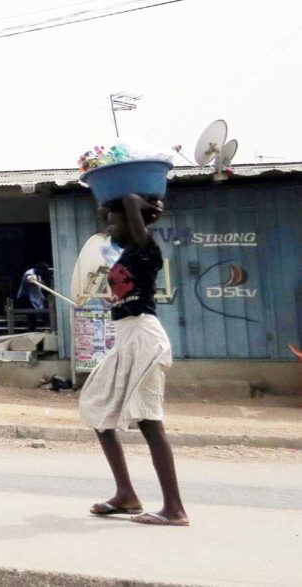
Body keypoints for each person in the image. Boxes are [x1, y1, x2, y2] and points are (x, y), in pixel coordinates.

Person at [79, 194, 189, 527]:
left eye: (115, 222)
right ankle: (126, 495)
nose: (108, 227)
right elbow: (107, 214)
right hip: (126, 338)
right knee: (98, 411)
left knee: (149, 422)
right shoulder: (125, 254)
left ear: (132, 222)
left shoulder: (146, 249)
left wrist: (128, 193)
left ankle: (174, 510)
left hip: (144, 338)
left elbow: (128, 203)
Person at [16, 262, 52, 330]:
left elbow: (40, 287)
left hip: (35, 296)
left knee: (44, 309)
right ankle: (31, 329)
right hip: (25, 297)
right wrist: (31, 279)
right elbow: (27, 278)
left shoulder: (39, 275)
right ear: (39, 270)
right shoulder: (30, 273)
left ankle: (45, 327)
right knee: (31, 314)